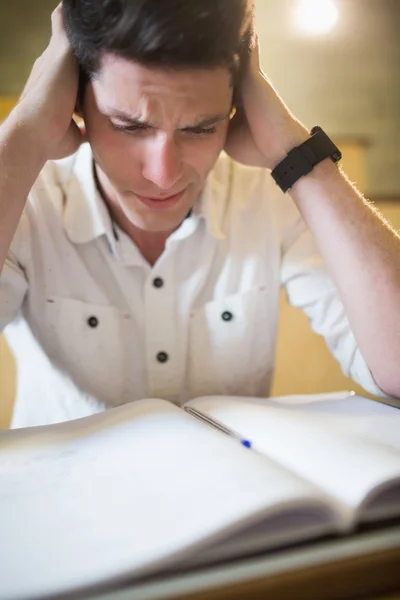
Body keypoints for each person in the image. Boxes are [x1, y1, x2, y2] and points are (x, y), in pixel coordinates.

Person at [0, 0, 399, 428]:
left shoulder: (269, 197)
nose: (164, 174)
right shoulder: (26, 197)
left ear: (234, 109)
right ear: (74, 105)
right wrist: (23, 136)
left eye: (200, 128)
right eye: (130, 126)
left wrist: (297, 154)